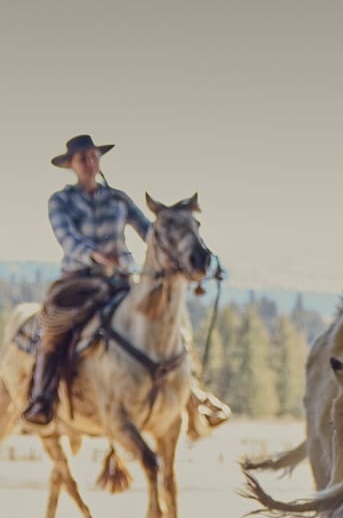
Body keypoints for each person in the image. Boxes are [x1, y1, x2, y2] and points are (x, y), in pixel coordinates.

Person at [25, 134, 229, 434]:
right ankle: (42, 395)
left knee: (166, 324)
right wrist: (97, 254)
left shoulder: (118, 198)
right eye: (83, 158)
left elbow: (149, 231)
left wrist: (175, 244)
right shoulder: (61, 201)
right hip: (77, 280)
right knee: (55, 328)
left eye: (93, 156)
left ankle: (192, 395)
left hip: (121, 280)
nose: (90, 162)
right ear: (71, 165)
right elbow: (67, 238)